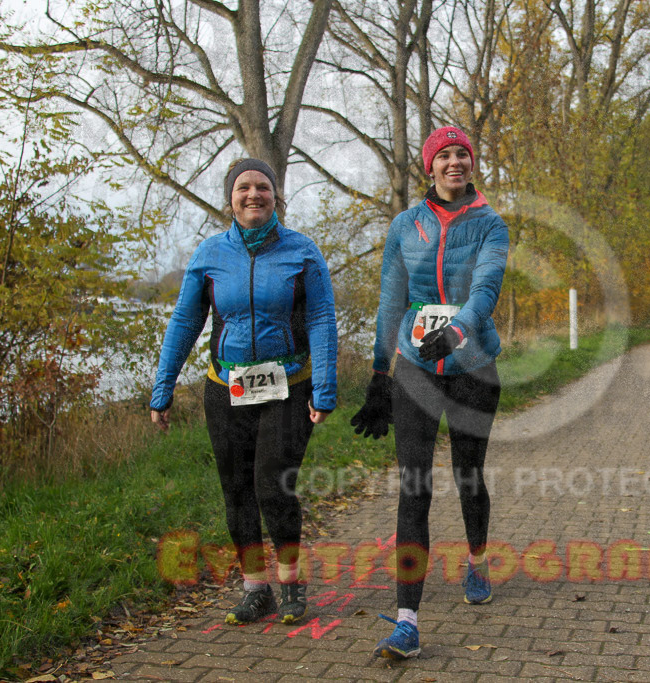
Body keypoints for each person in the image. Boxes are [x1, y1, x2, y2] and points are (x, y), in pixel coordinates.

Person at [149, 158, 337, 626]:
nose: (253, 195)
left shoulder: (302, 252)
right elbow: (186, 322)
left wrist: (325, 388)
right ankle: (257, 589)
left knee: (273, 485)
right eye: (243, 188)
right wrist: (162, 388)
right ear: (230, 198)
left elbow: (320, 320)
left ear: (276, 196)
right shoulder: (210, 254)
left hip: (287, 387)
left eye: (263, 187)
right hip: (225, 389)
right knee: (236, 491)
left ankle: (291, 582)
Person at [351, 126, 508, 660]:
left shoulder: (490, 224)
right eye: (445, 155)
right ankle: (406, 620)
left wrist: (458, 331)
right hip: (416, 367)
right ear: (430, 166)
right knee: (413, 487)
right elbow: (390, 300)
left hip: (473, 367)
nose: (455, 162)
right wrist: (379, 373)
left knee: (468, 475)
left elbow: (485, 289)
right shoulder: (404, 225)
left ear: (471, 163)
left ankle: (478, 559)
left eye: (463, 153)